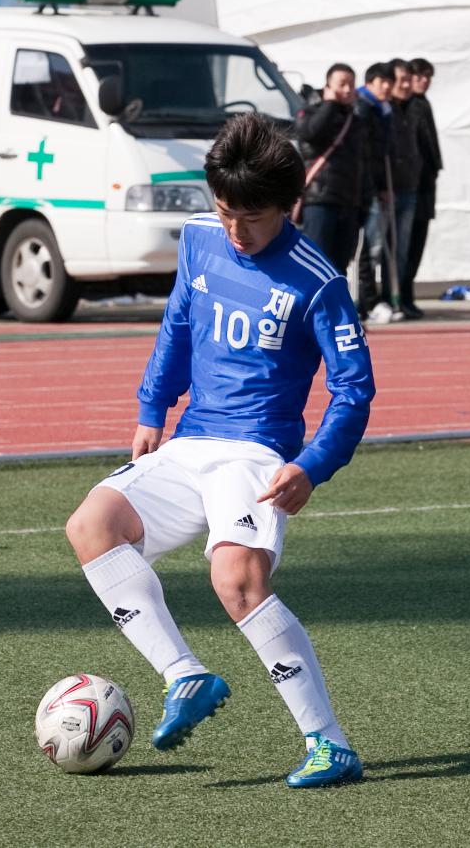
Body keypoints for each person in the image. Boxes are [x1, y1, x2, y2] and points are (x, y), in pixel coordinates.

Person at [64, 114, 376, 789]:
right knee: (91, 525)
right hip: (190, 441)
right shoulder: (202, 237)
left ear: (288, 206)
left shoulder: (316, 279)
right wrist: (153, 405)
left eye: (252, 217)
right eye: (225, 210)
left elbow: (354, 391)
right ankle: (186, 675)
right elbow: (178, 319)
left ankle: (329, 743)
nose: (236, 229)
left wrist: (312, 464)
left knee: (236, 581)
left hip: (257, 454)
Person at [296, 63, 368, 275]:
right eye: (342, 84)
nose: (347, 90)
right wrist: (329, 104)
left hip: (349, 202)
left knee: (340, 267)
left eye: (351, 85)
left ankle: (333, 308)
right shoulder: (311, 110)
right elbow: (310, 134)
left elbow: (364, 162)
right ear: (328, 86)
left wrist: (364, 202)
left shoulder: (355, 118)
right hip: (320, 200)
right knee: (315, 263)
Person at [354, 61, 398, 323]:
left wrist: (382, 186)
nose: (386, 87)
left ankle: (371, 300)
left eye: (388, 83)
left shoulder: (383, 109)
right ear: (370, 82)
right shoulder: (363, 107)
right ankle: (366, 301)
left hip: (372, 185)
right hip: (362, 187)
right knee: (366, 246)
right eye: (382, 82)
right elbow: (367, 153)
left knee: (375, 245)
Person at [387, 58, 424, 320]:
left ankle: (398, 297)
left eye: (409, 80)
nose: (407, 85)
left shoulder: (413, 108)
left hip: (409, 186)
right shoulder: (382, 110)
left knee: (403, 249)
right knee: (383, 249)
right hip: (388, 189)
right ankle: (384, 299)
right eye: (402, 80)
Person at [404, 57, 444, 295]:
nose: (424, 81)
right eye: (419, 76)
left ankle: (407, 292)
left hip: (425, 183)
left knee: (417, 240)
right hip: (411, 184)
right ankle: (403, 292)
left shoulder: (422, 104)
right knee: (407, 242)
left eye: (427, 77)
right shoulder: (407, 105)